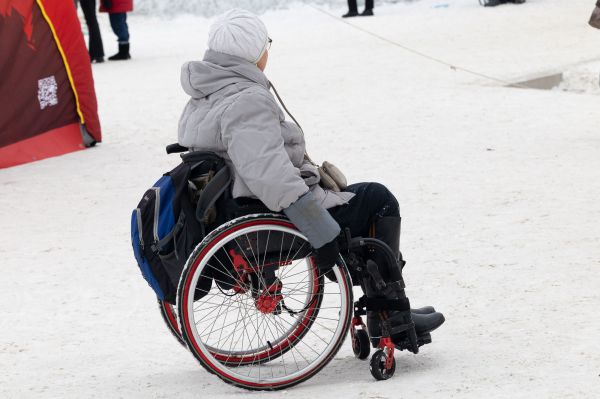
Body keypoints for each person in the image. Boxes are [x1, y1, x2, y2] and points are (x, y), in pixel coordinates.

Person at [177, 9, 445, 347]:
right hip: (269, 213)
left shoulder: (204, 94)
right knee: (378, 200)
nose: (267, 52)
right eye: (265, 45)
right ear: (252, 54)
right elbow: (268, 174)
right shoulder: (247, 99)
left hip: (235, 207)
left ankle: (385, 307)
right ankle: (389, 314)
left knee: (355, 197)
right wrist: (318, 226)